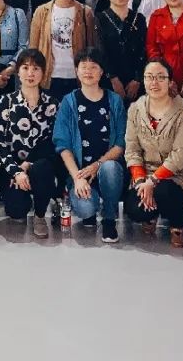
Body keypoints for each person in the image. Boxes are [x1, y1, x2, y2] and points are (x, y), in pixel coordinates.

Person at [55, 48, 127, 243]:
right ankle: (90, 206)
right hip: (80, 173)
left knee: (110, 168)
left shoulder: (114, 101)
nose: (88, 71)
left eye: (93, 67)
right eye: (83, 67)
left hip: (106, 169)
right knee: (86, 209)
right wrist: (77, 178)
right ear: (76, 71)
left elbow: (120, 144)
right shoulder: (69, 102)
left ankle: (109, 218)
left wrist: (97, 165)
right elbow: (62, 145)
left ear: (101, 72)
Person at [124, 59, 183, 247]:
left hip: (178, 175)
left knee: (165, 191)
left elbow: (179, 156)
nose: (154, 83)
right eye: (149, 77)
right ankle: (151, 214)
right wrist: (141, 182)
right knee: (133, 208)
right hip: (145, 172)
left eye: (160, 77)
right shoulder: (135, 109)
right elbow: (132, 149)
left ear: (170, 82)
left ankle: (177, 225)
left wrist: (152, 182)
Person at [0, 48, 60, 238]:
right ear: (18, 71)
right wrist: (16, 171)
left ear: (43, 72)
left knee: (42, 168)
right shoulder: (6, 102)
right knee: (16, 211)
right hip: (12, 168)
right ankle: (25, 198)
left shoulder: (52, 104)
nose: (30, 73)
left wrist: (28, 164)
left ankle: (40, 214)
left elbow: (54, 142)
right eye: (25, 68)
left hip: (40, 164)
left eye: (36, 68)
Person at [29, 0, 98, 101]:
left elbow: (91, 47)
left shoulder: (86, 12)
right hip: (48, 77)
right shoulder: (41, 11)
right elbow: (33, 48)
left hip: (78, 77)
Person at [97, 0, 147, 103]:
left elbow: (144, 50)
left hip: (135, 84)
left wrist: (137, 79)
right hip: (107, 82)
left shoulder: (139, 19)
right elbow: (100, 51)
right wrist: (113, 79)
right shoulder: (99, 18)